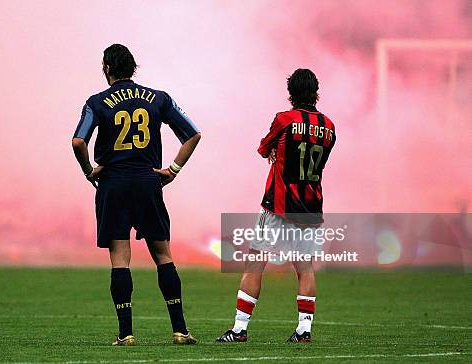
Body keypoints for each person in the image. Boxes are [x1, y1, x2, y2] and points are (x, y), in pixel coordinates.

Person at [72, 44, 201, 346]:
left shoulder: (96, 102)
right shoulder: (158, 98)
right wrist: (173, 169)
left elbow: (79, 141)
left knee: (120, 259)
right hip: (148, 182)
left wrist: (89, 170)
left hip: (113, 185)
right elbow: (193, 133)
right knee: (163, 255)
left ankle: (126, 334)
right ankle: (180, 330)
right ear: (133, 68)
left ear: (107, 68)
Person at [216, 69, 336, 343]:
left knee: (255, 263)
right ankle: (304, 330)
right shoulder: (329, 126)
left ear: (291, 93)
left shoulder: (284, 119)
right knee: (305, 268)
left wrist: (275, 151)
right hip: (310, 207)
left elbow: (263, 149)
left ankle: (239, 329)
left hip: (278, 206)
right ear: (316, 92)